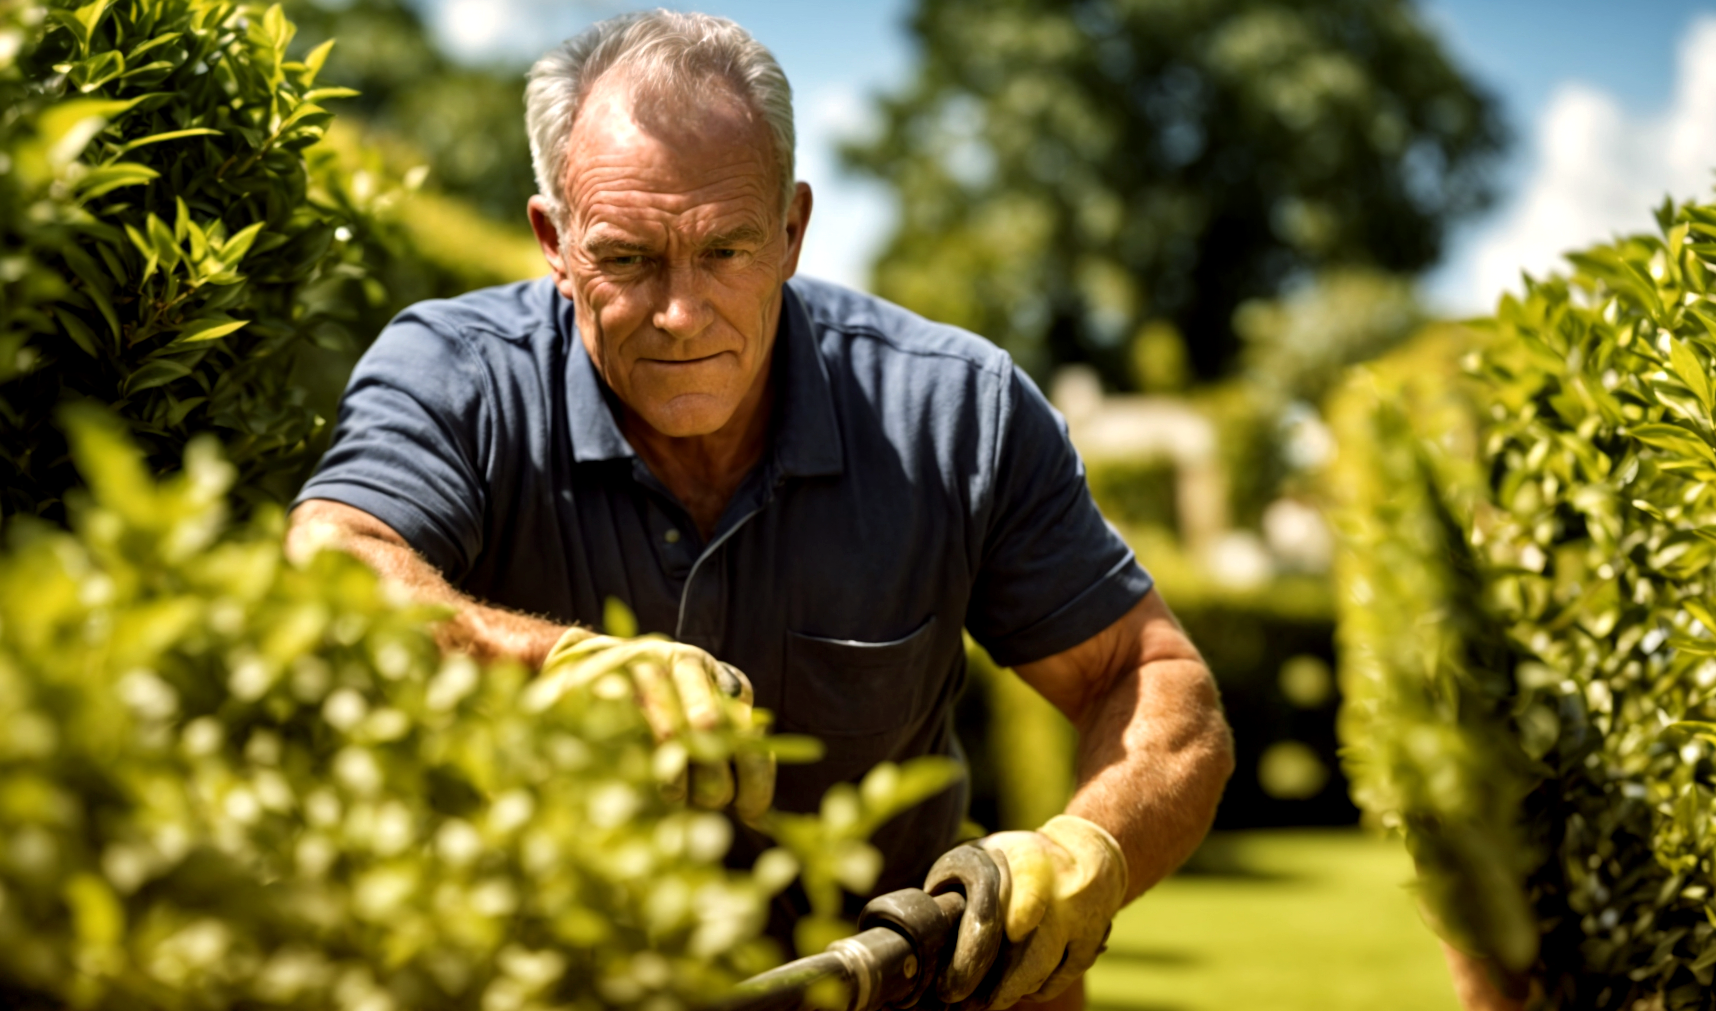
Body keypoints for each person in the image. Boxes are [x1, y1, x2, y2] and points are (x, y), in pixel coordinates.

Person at [287, 10, 1233, 1009]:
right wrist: (542, 662)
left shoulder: (956, 410)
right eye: (628, 258)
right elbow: (335, 558)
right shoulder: (456, 375)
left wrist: (1090, 852)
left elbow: (1154, 678)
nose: (682, 312)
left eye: (727, 248)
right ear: (553, 241)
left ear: (792, 229)